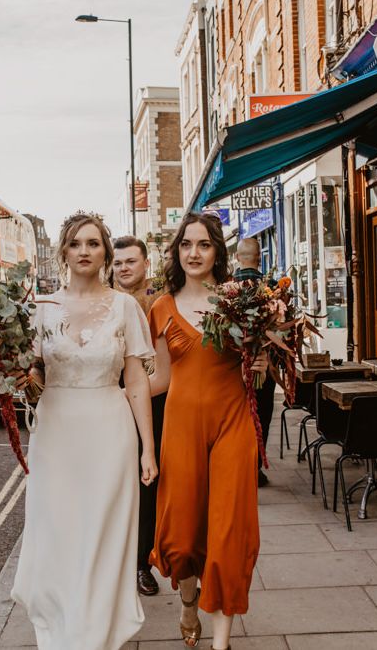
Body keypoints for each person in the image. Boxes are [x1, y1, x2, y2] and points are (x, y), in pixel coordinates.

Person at [11, 212, 158, 650]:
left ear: (105, 254)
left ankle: (93, 632)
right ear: (64, 252)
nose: (85, 252)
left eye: (93, 244)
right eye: (76, 244)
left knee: (101, 531)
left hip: (109, 433)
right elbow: (34, 377)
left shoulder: (125, 307)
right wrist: (22, 381)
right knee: (58, 531)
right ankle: (62, 623)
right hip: (56, 433)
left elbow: (135, 382)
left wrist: (148, 449)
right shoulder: (40, 309)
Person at [148, 212, 267, 650]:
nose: (194, 253)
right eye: (186, 245)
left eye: (203, 244)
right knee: (181, 534)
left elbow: (256, 374)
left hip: (233, 423)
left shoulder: (241, 301)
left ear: (217, 251)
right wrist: (108, 395)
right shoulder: (159, 307)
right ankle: (187, 600)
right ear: (177, 252)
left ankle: (222, 642)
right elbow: (159, 379)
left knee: (230, 529)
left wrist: (263, 364)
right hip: (180, 427)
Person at [113, 235, 165, 597]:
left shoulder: (159, 301)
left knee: (148, 487)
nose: (123, 268)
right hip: (111, 405)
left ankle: (141, 566)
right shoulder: (106, 302)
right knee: (113, 486)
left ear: (146, 263)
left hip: (153, 402)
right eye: (117, 263)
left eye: (130, 261)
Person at [233, 237, 276, 487]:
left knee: (239, 418)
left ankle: (239, 466)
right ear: (260, 258)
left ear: (237, 258)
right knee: (262, 415)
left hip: (235, 370)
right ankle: (255, 468)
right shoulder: (272, 287)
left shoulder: (227, 289)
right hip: (265, 368)